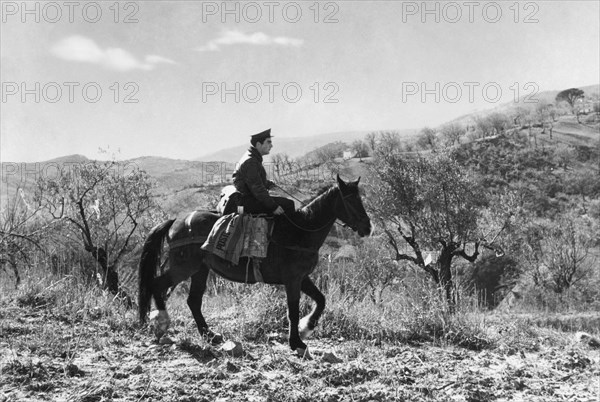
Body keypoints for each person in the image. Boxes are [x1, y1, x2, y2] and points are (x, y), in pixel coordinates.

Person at [232, 129, 295, 216]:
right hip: (246, 203)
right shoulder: (251, 161)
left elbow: (254, 182)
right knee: (288, 204)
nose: (271, 145)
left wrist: (269, 184)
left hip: (247, 199)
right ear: (258, 144)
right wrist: (273, 207)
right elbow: (257, 189)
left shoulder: (252, 157)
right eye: (268, 142)